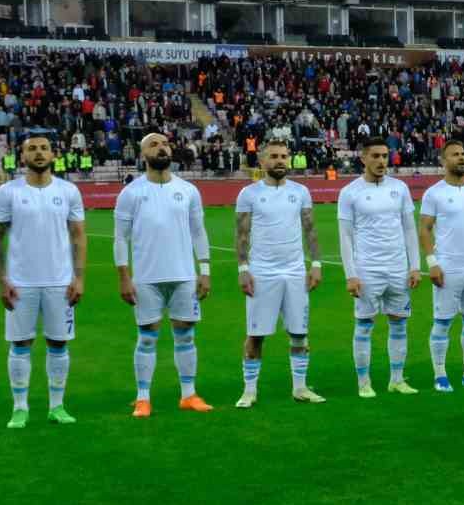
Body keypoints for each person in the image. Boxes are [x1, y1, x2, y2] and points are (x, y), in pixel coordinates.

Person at [0, 133, 85, 428]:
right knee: (21, 343)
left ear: (53, 155)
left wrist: (79, 278)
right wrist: (2, 279)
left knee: (59, 343)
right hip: (21, 282)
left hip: (60, 282)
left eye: (44, 148)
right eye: (32, 149)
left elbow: (79, 236)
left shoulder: (69, 191)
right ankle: (20, 407)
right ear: (22, 157)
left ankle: (57, 406)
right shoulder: (8, 192)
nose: (39, 153)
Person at [115, 132, 212, 417]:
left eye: (165, 144)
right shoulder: (131, 192)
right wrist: (124, 275)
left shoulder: (188, 190)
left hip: (184, 275)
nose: (161, 148)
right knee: (146, 337)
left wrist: (204, 270)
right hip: (146, 278)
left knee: (186, 336)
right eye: (153, 145)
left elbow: (198, 232)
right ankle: (143, 397)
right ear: (142, 154)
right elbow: (120, 238)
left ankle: (188, 394)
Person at [234, 140, 326, 408]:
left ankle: (300, 387)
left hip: (295, 272)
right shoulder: (249, 194)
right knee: (256, 335)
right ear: (262, 162)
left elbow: (310, 230)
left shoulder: (300, 192)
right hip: (262, 272)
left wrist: (317, 264)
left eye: (284, 156)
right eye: (273, 156)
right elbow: (241, 234)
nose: (280, 161)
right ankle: (249, 391)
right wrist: (243, 269)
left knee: (299, 333)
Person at [338, 136, 422, 398]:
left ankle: (396, 379)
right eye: (375, 156)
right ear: (363, 158)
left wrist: (415, 266)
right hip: (367, 269)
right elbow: (346, 235)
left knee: (399, 323)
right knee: (364, 325)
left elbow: (409, 228)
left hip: (397, 268)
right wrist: (351, 274)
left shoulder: (400, 188)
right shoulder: (350, 192)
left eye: (385, 156)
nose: (381, 161)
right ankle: (364, 383)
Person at [419, 139, 464, 392]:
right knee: (443, 322)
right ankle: (440, 375)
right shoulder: (434, 193)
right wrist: (432, 263)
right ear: (443, 160)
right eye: (455, 155)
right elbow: (425, 230)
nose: (462, 158)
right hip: (448, 267)